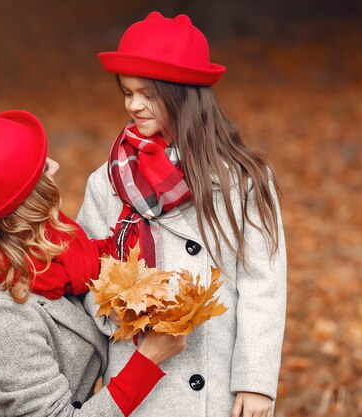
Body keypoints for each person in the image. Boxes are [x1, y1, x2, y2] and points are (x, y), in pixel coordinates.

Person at [77, 12, 287, 417]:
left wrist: (256, 381)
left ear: (183, 93)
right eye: (126, 92)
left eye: (146, 93)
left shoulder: (244, 180)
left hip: (217, 383)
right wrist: (126, 311)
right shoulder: (106, 182)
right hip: (138, 376)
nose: (133, 105)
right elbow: (89, 275)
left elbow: (264, 284)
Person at [0, 110, 187, 417]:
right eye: (42, 169)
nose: (56, 167)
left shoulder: (34, 255)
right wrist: (147, 361)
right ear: (30, 204)